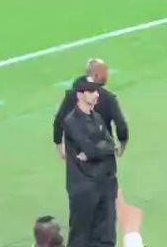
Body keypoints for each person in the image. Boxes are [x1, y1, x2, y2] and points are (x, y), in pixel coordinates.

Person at [62, 78, 118, 247]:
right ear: (80, 95)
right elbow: (91, 148)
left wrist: (96, 150)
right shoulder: (71, 122)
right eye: (91, 91)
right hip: (84, 188)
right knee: (81, 237)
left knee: (106, 236)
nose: (96, 94)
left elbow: (110, 145)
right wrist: (99, 149)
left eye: (96, 90)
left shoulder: (97, 117)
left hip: (104, 185)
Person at [53, 58, 128, 159]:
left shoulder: (71, 96)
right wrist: (122, 145)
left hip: (78, 154)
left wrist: (59, 146)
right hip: (104, 153)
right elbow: (121, 125)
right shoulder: (108, 98)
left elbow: (59, 121)